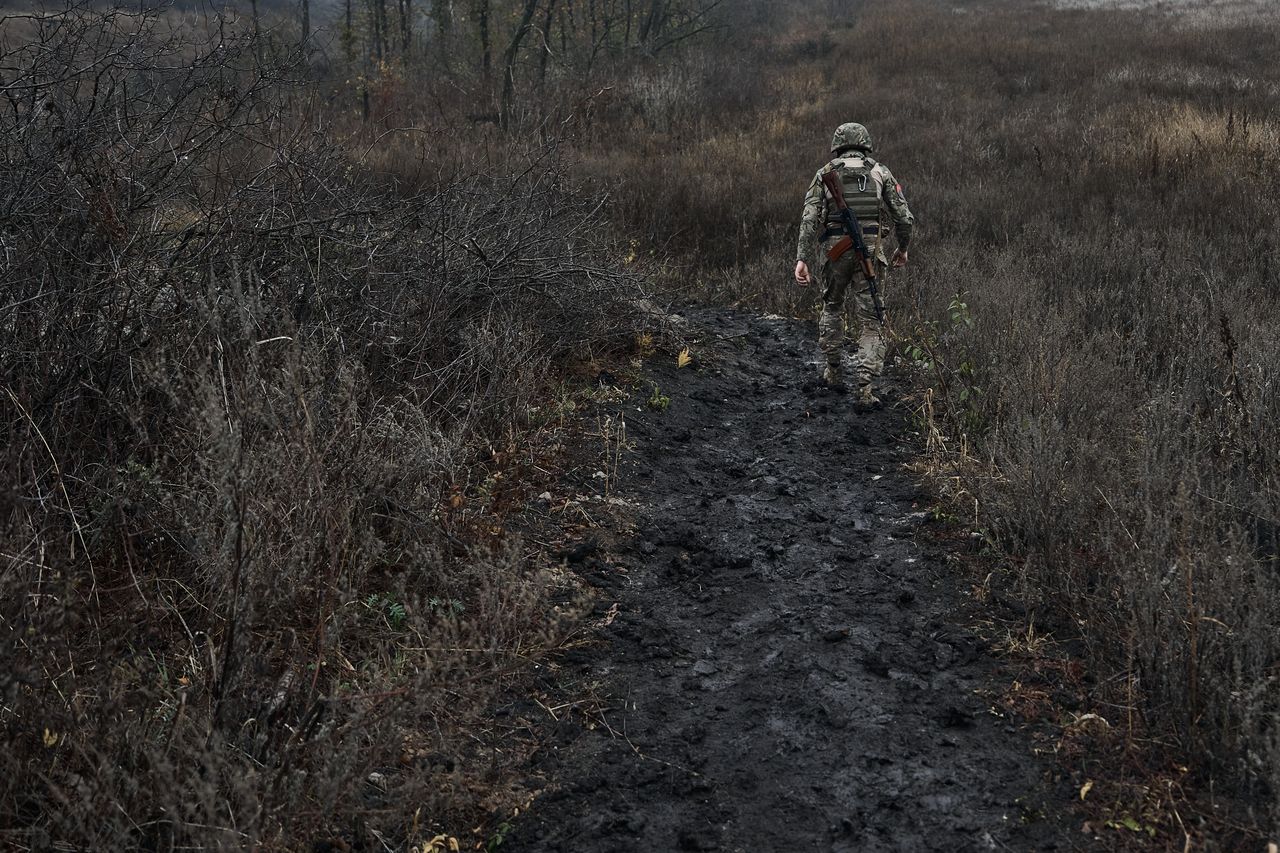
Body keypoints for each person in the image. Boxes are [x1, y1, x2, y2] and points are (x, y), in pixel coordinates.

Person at [794, 122, 914, 403]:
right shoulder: (880, 171)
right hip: (870, 253)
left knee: (832, 307)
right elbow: (904, 217)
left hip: (834, 252)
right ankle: (865, 388)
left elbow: (809, 219)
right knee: (872, 320)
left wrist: (802, 258)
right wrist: (903, 248)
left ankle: (833, 372)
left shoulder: (824, 173)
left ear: (837, 145)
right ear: (865, 144)